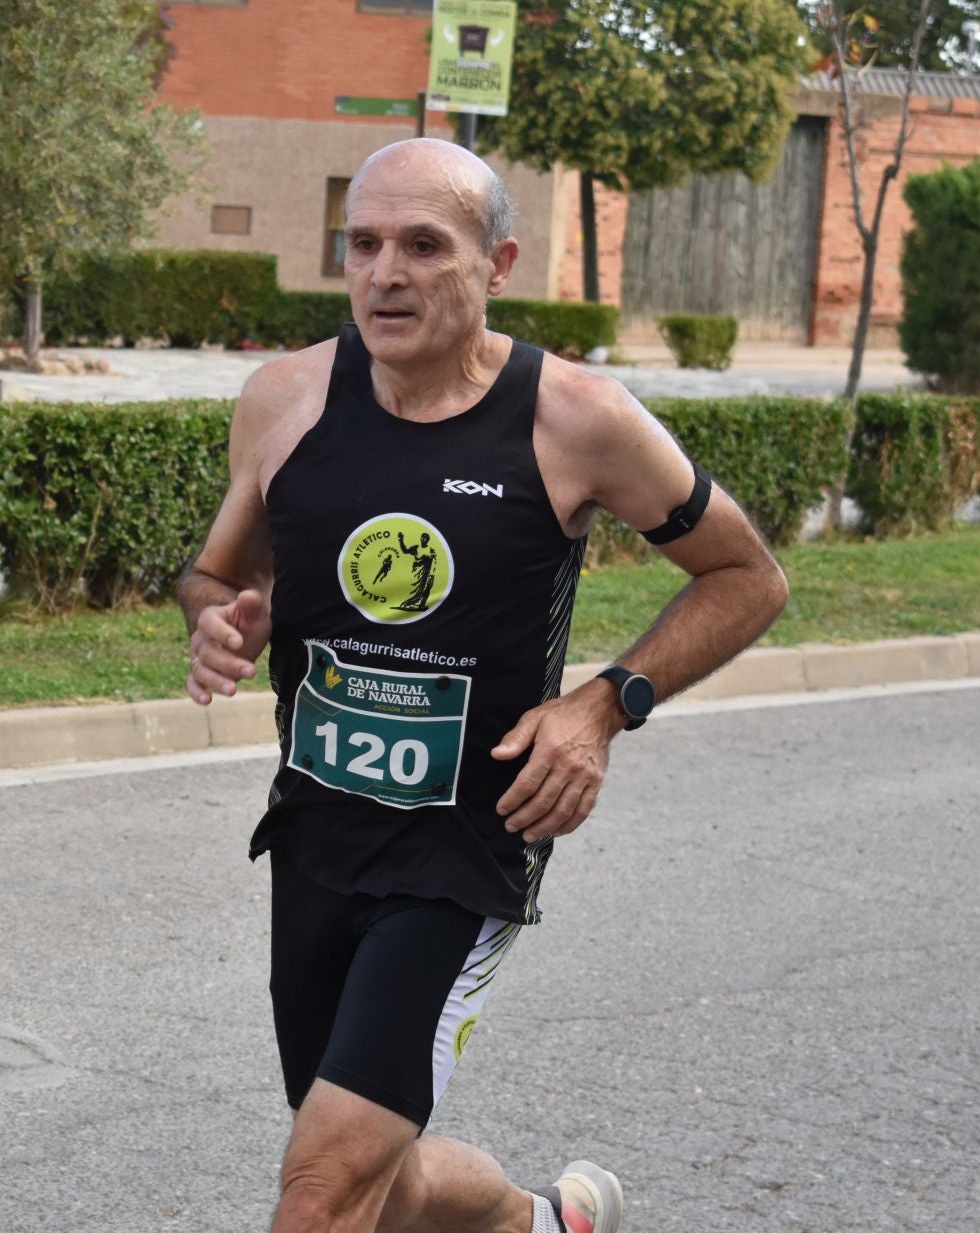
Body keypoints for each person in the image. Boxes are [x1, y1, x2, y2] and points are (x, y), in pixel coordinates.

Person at [179, 138, 789, 1233]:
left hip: (466, 845)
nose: (385, 273)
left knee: (318, 1190)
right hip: (318, 829)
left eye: (424, 244)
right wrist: (219, 619)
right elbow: (223, 570)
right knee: (379, 1173)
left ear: (498, 260)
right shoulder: (284, 398)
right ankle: (534, 1222)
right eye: (363, 244)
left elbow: (748, 574)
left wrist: (602, 705)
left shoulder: (575, 417)